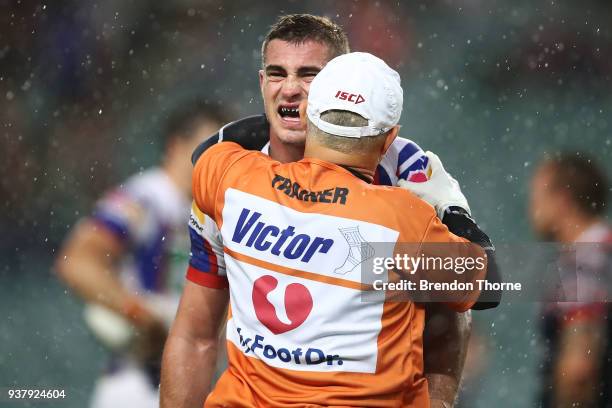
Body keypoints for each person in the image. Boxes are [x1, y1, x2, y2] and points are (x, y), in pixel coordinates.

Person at [161, 51, 499, 408]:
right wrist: (453, 208)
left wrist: (279, 118)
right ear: (388, 141)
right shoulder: (403, 222)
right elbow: (491, 286)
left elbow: (207, 153)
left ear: (308, 117)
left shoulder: (236, 181)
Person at [54, 101, 226, 408]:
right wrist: (138, 313)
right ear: (176, 146)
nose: (218, 161)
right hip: (140, 385)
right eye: (209, 149)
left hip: (194, 380)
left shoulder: (214, 208)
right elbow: (77, 262)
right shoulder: (146, 198)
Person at [530, 153, 611, 407]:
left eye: (538, 197)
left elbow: (579, 368)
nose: (532, 208)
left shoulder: (587, 259)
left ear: (562, 200)